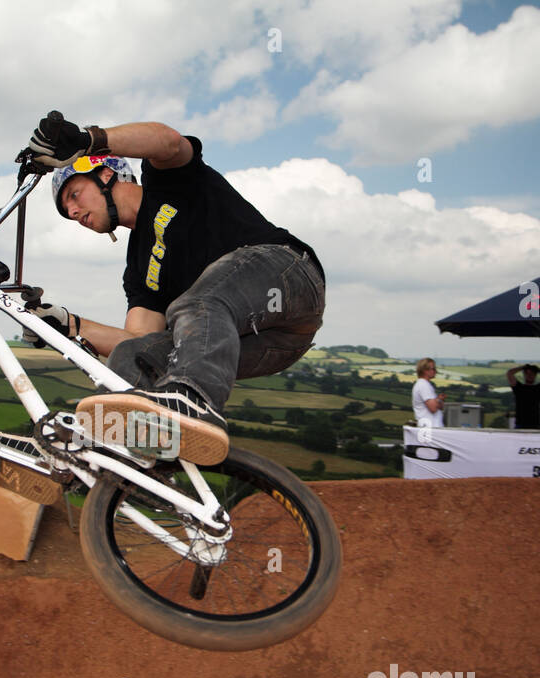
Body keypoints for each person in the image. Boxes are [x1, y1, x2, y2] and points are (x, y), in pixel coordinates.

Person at [24, 111, 325, 465]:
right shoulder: (138, 268)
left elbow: (167, 141)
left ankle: (191, 402)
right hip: (265, 344)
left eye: (75, 195)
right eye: (66, 210)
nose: (73, 212)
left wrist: (88, 140)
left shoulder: (167, 181)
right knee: (134, 356)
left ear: (106, 174)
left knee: (198, 302)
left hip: (288, 279)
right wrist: (67, 325)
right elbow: (136, 341)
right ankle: (110, 460)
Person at [507, 363, 540, 429]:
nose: (530, 376)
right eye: (527, 374)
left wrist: (538, 370)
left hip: (536, 425)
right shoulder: (518, 387)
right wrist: (523, 367)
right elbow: (509, 373)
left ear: (535, 375)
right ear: (524, 375)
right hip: (520, 425)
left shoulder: (539, 388)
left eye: (532, 374)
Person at [412, 358, 443, 428]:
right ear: (425, 371)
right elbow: (433, 408)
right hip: (430, 428)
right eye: (433, 369)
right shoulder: (424, 385)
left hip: (429, 428)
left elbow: (440, 407)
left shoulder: (423, 384)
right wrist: (439, 399)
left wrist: (438, 400)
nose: (436, 371)